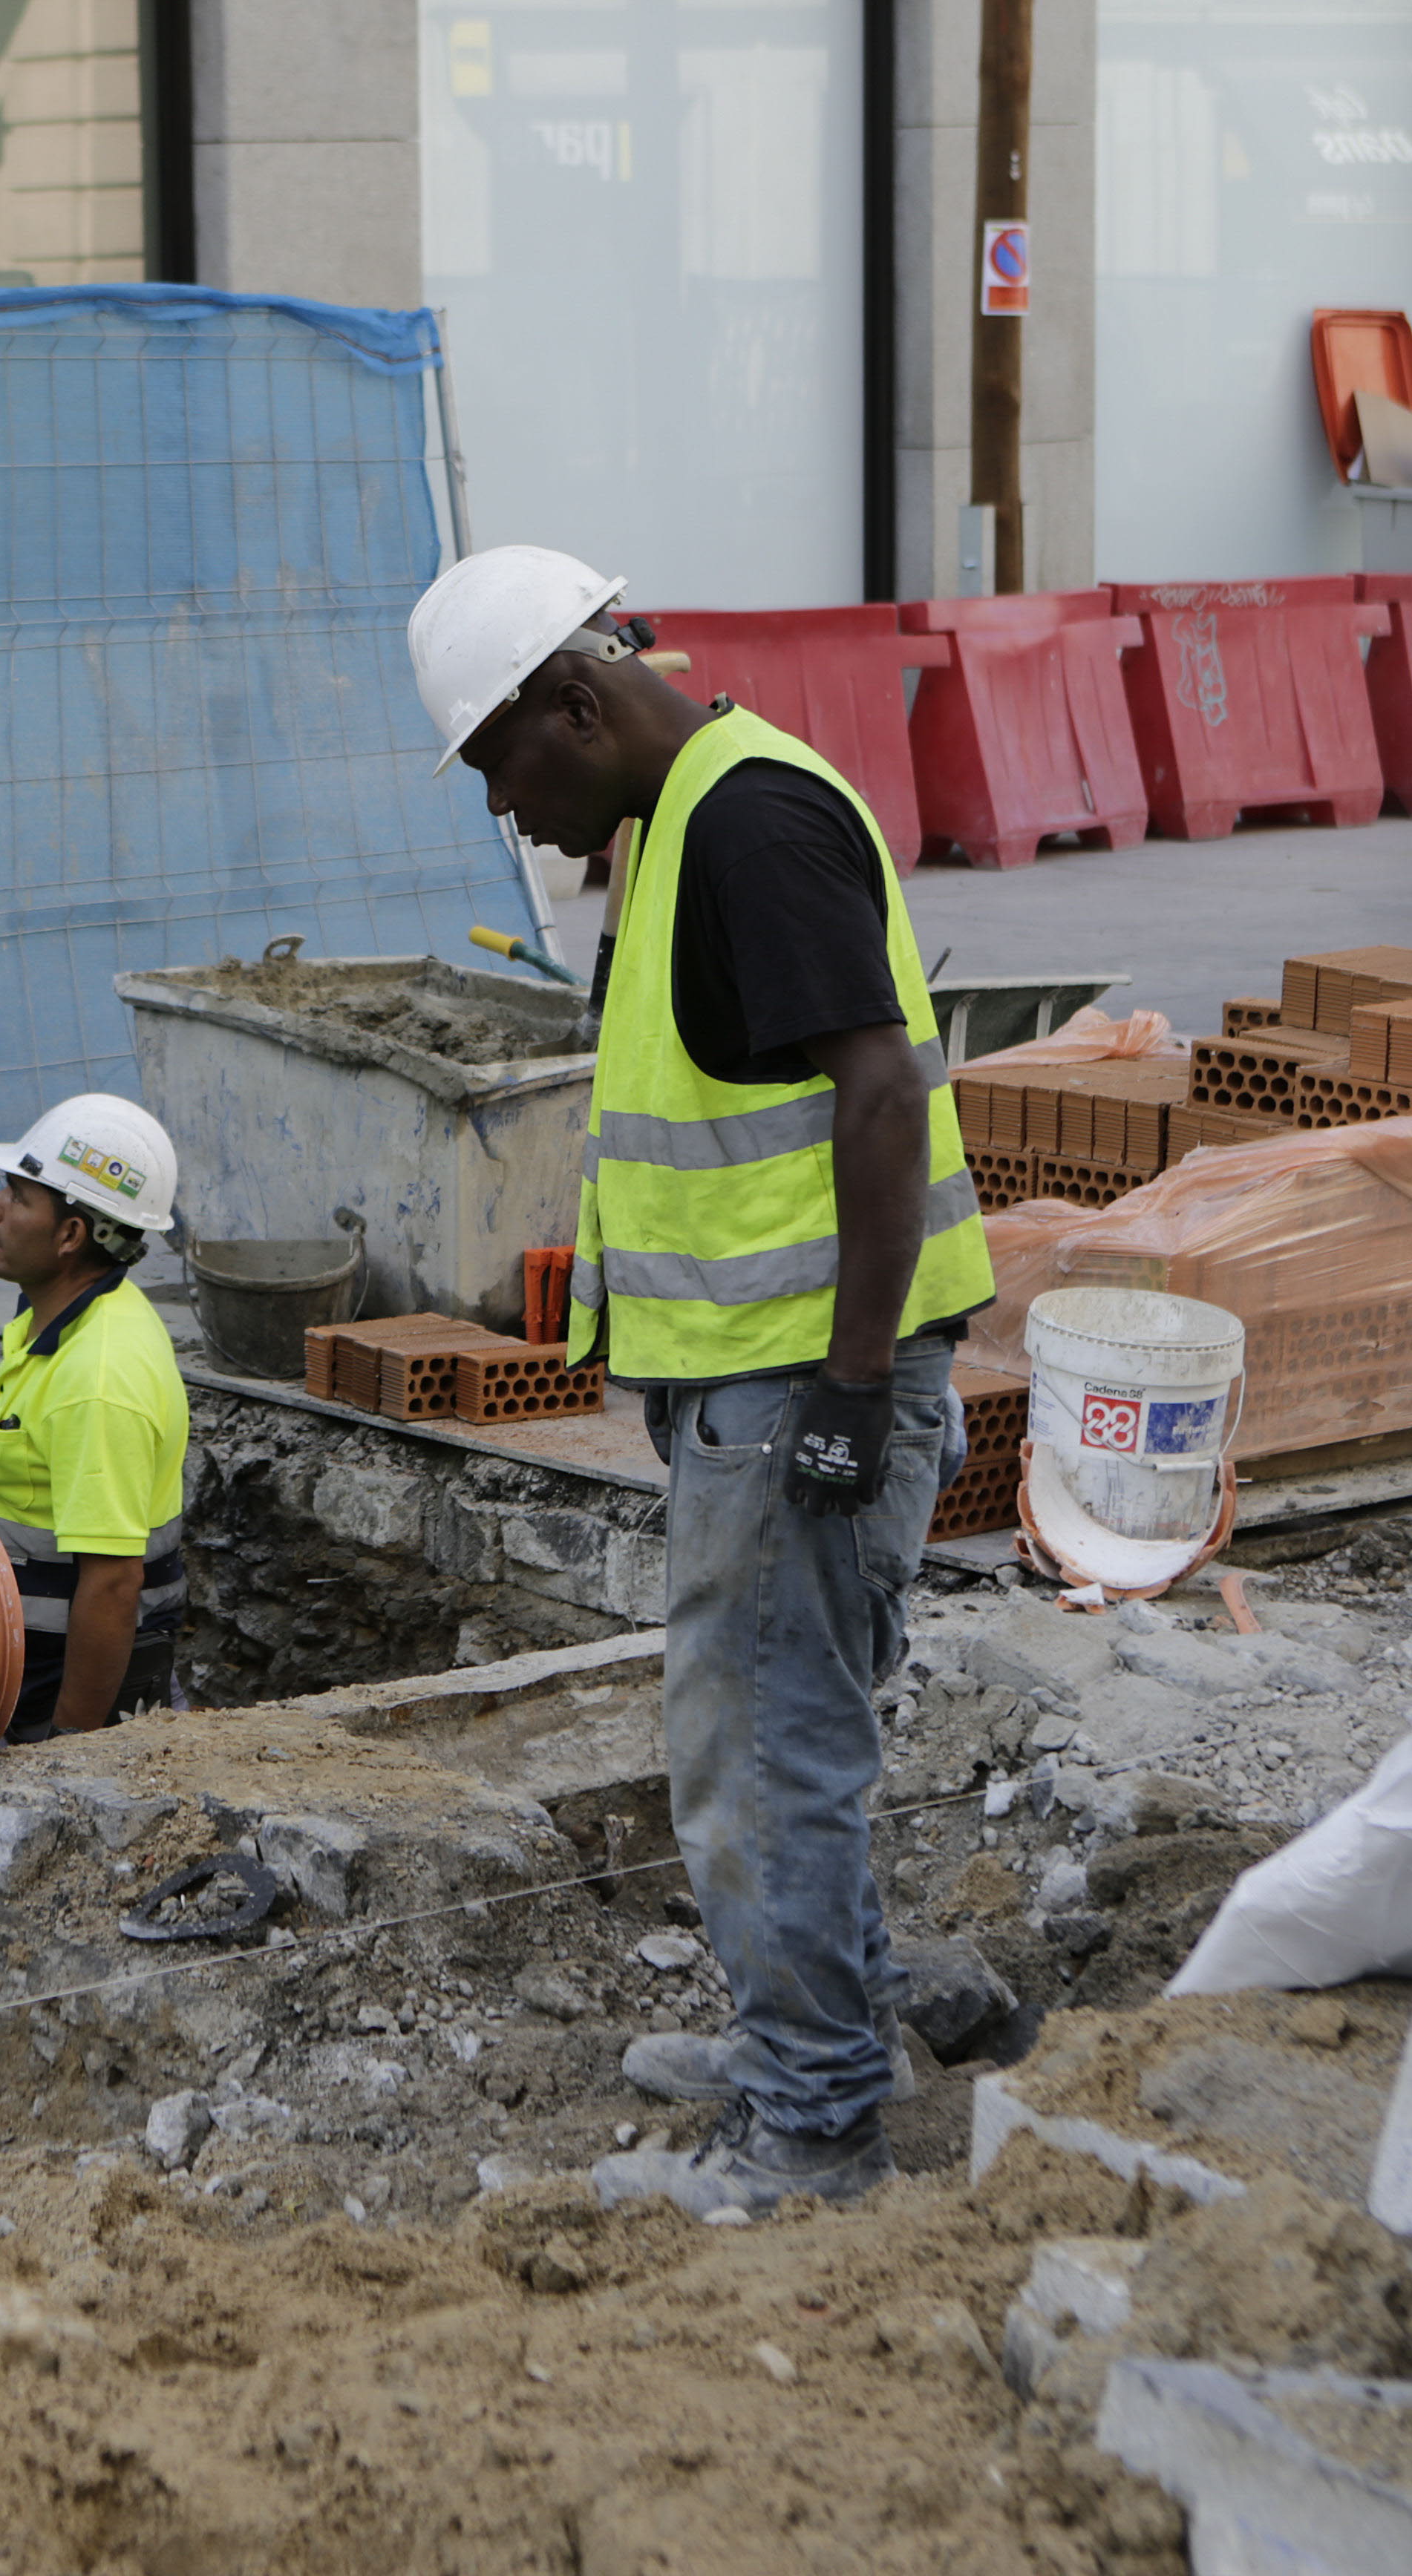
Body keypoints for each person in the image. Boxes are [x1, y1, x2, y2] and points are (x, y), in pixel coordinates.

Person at [412, 542, 995, 2212]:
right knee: (794, 1721)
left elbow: (882, 1091)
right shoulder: (680, 820)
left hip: (801, 1384)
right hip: (753, 1379)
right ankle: (836, 2014)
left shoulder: (749, 819)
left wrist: (852, 1393)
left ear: (576, 704)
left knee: (758, 1745)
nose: (507, 817)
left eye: (500, 770)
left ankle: (810, 2117)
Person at [0, 1095, 191, 1738]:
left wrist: (69, 1749)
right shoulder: (66, 1316)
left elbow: (111, 1586)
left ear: (72, 1235)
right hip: (28, 1661)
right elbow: (52, 1443)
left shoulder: (98, 1378)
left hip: (68, 1680)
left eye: (18, 1197)